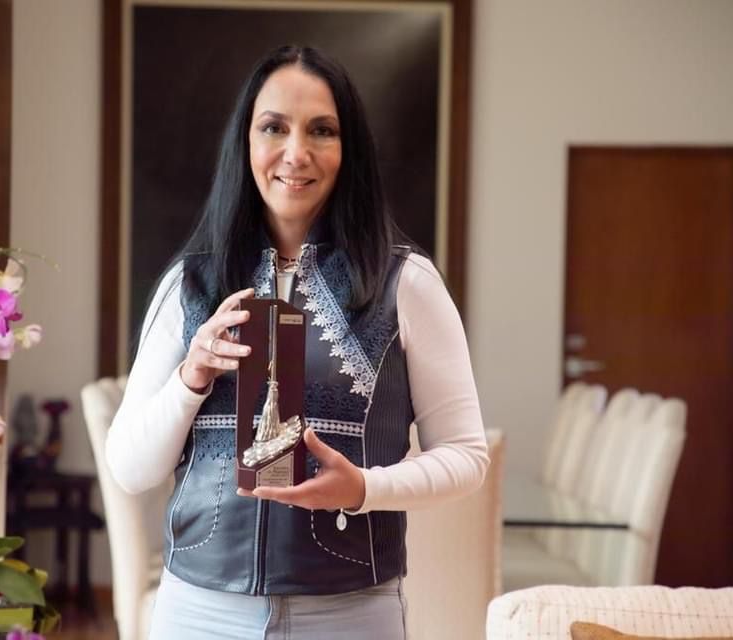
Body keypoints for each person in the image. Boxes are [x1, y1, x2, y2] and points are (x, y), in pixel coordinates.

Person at [105, 45, 488, 639]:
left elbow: (466, 456)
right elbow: (131, 469)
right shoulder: (190, 282)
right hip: (198, 611)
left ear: (349, 149)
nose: (296, 152)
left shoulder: (406, 282)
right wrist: (190, 377)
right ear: (245, 143)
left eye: (322, 130)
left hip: (349, 612)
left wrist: (365, 488)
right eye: (274, 127)